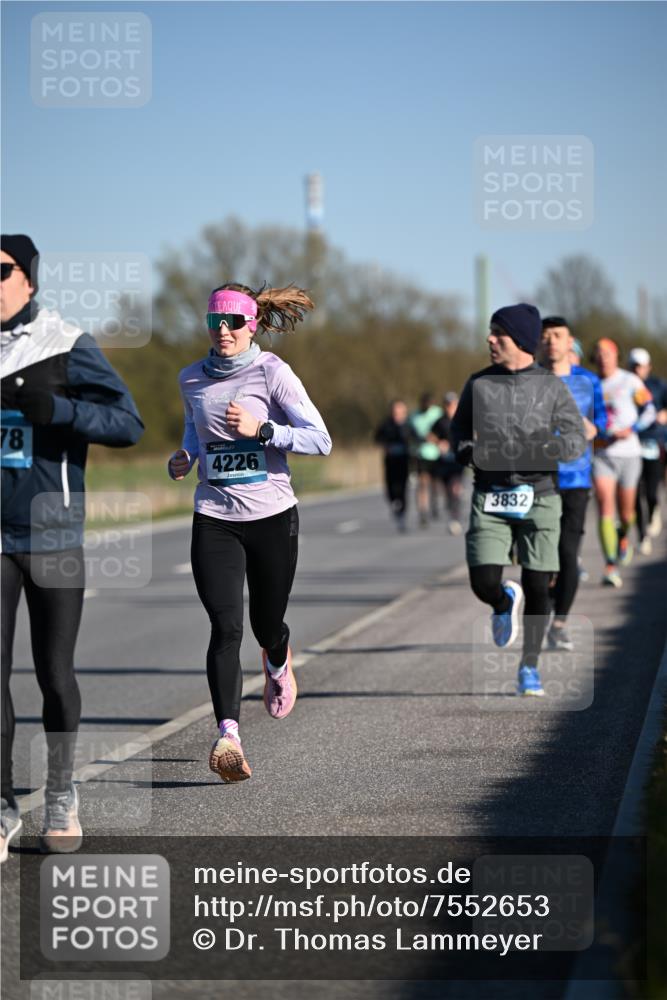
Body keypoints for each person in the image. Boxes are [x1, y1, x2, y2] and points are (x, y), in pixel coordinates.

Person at [1, 234, 144, 862]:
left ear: (29, 279)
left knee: (54, 675)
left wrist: (59, 410)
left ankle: (61, 793)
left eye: (1, 270)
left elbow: (128, 424)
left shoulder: (65, 343)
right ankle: (2, 805)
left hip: (52, 534)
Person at [168, 282, 331, 783]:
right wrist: (186, 454)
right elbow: (195, 427)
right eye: (215, 321)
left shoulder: (272, 372)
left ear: (251, 324)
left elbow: (320, 440)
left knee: (266, 624)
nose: (223, 331)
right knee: (225, 627)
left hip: (271, 517)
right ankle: (229, 736)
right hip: (214, 516)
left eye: (233, 322)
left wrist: (263, 430)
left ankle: (278, 661)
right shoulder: (191, 378)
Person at [450, 303, 586, 696]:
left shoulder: (551, 386)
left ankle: (529, 667)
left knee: (539, 584)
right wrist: (469, 452)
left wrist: (543, 450)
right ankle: (500, 601)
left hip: (540, 496)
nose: (490, 339)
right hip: (490, 496)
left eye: (499, 333)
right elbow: (458, 432)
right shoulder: (478, 383)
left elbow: (575, 438)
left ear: (521, 341)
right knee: (482, 581)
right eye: (491, 332)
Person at [540, 317, 607, 650]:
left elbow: (602, 419)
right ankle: (547, 603)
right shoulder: (529, 380)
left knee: (567, 552)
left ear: (570, 343)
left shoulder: (588, 380)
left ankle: (560, 623)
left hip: (575, 478)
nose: (551, 341)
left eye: (558, 335)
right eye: (545, 336)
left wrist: (594, 428)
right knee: (541, 554)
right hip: (537, 478)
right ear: (538, 343)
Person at [592, 338, 656, 587]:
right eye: (598, 354)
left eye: (607, 353)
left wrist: (632, 429)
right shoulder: (590, 383)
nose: (603, 358)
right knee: (604, 506)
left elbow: (649, 409)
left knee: (626, 513)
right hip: (602, 454)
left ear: (616, 356)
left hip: (629, 453)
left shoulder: (629, 380)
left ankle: (623, 536)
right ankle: (610, 565)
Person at [627, 347, 667, 554]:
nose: (637, 370)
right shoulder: (625, 384)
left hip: (654, 443)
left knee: (651, 491)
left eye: (641, 366)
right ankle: (642, 535)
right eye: (634, 366)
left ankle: (654, 510)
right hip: (631, 445)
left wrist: (664, 415)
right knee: (635, 493)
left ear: (648, 367)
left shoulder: (658, 386)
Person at [430, 391, 466, 535]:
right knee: (447, 490)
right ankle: (451, 510)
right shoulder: (440, 421)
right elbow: (430, 435)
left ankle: (455, 517)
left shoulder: (463, 419)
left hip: (458, 461)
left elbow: (474, 434)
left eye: (452, 404)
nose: (450, 407)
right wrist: (439, 443)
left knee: (455, 487)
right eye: (447, 404)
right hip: (444, 461)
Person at [374, 399, 411, 532]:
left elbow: (417, 438)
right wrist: (386, 445)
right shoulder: (386, 425)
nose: (397, 415)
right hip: (390, 462)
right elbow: (377, 438)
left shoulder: (409, 425)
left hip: (404, 462)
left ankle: (402, 515)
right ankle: (395, 504)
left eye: (400, 412)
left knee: (402, 488)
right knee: (390, 488)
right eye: (395, 412)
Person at [408, 392, 443, 527]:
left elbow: (445, 430)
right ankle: (423, 512)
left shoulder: (438, 413)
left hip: (436, 454)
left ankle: (435, 503)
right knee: (422, 483)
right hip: (420, 454)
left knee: (435, 483)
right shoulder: (413, 416)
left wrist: (436, 439)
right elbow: (409, 434)